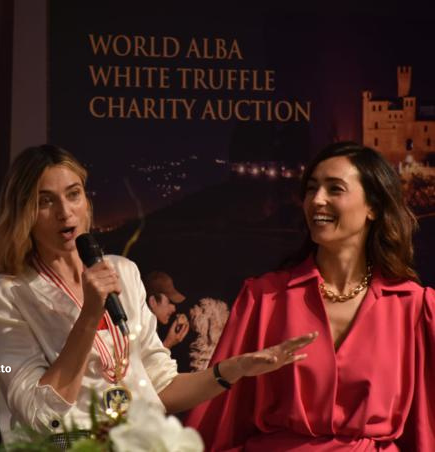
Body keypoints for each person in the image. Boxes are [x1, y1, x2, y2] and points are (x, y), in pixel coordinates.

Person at [0, 144, 317, 443]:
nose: (65, 212)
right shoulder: (6, 296)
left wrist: (232, 370)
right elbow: (39, 412)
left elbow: (161, 387)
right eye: (45, 201)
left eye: (73, 194)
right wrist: (91, 314)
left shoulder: (121, 271)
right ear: (24, 212)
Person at [186, 142, 435, 450]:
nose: (316, 200)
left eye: (335, 189)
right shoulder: (264, 298)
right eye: (311, 189)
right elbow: (221, 413)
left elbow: (425, 425)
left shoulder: (413, 306)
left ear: (373, 206)